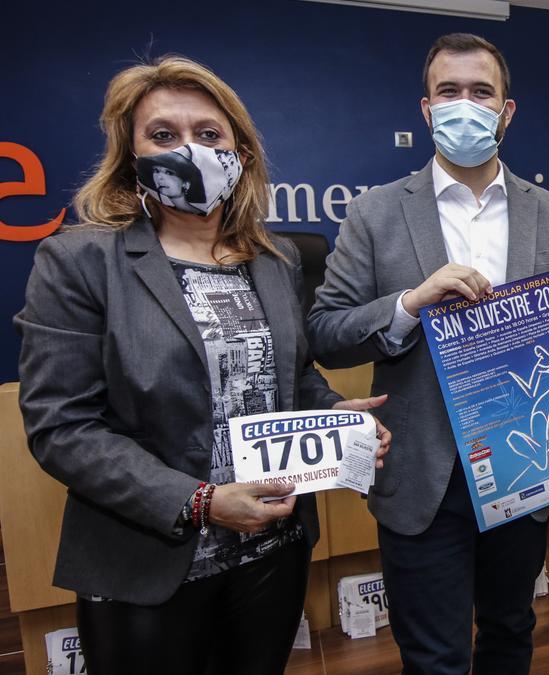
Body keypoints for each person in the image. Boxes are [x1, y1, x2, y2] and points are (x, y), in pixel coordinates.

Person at [13, 55, 391, 675]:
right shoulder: (80, 261)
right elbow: (62, 428)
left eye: (209, 134)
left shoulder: (274, 259)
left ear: (239, 151)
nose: (189, 150)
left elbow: (292, 376)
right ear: (131, 155)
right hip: (147, 563)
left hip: (272, 551)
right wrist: (201, 501)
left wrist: (330, 414)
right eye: (164, 135)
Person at [307, 33, 549, 674]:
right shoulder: (375, 214)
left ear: (507, 111)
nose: (464, 105)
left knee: (509, 635)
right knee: (434, 658)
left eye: (480, 92)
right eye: (449, 92)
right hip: (421, 478)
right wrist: (409, 304)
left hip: (527, 466)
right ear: (426, 109)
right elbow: (325, 330)